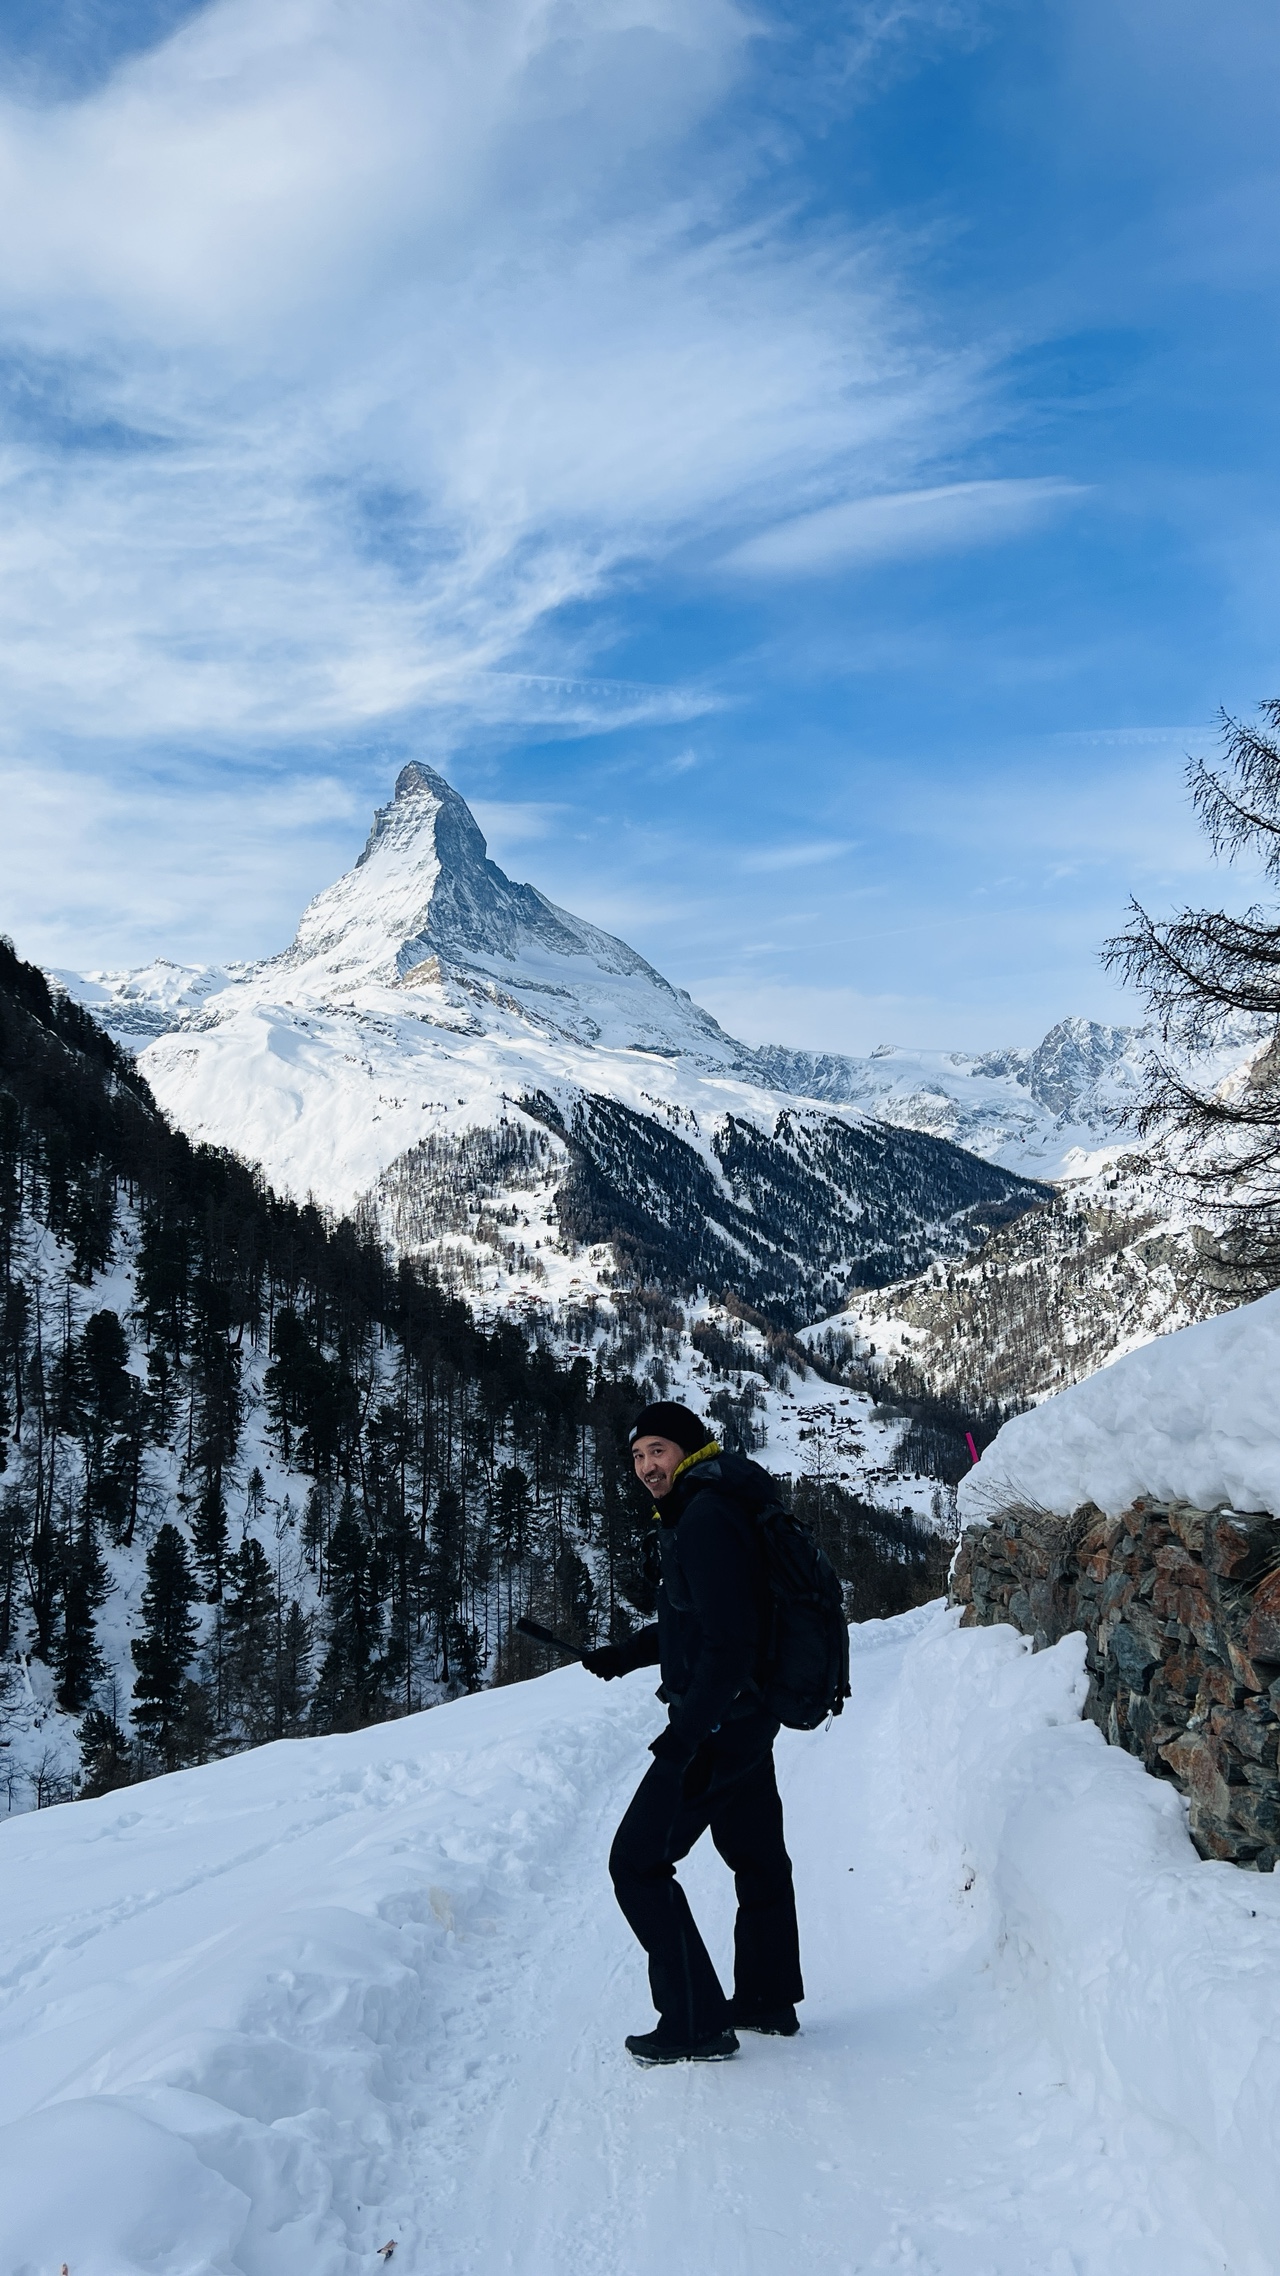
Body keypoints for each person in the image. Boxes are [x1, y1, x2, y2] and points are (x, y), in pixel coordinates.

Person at [582, 1401, 804, 2066]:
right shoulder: (714, 1499)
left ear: (688, 1449)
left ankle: (695, 2020)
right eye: (638, 1455)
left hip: (722, 1722)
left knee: (637, 1863)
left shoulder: (704, 1517)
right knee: (757, 1855)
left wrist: (686, 1734)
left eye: (658, 1450)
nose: (648, 1466)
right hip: (746, 1715)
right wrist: (628, 1652)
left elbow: (731, 1642)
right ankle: (766, 2000)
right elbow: (705, 1621)